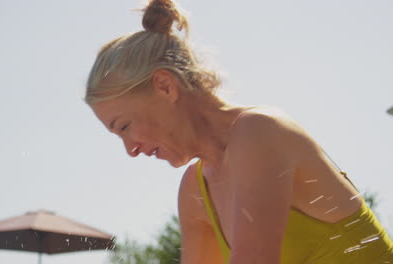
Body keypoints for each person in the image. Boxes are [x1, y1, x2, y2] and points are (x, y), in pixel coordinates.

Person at [84, 0, 393, 263]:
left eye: (124, 126)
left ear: (165, 86)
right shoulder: (195, 192)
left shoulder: (259, 132)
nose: (130, 149)